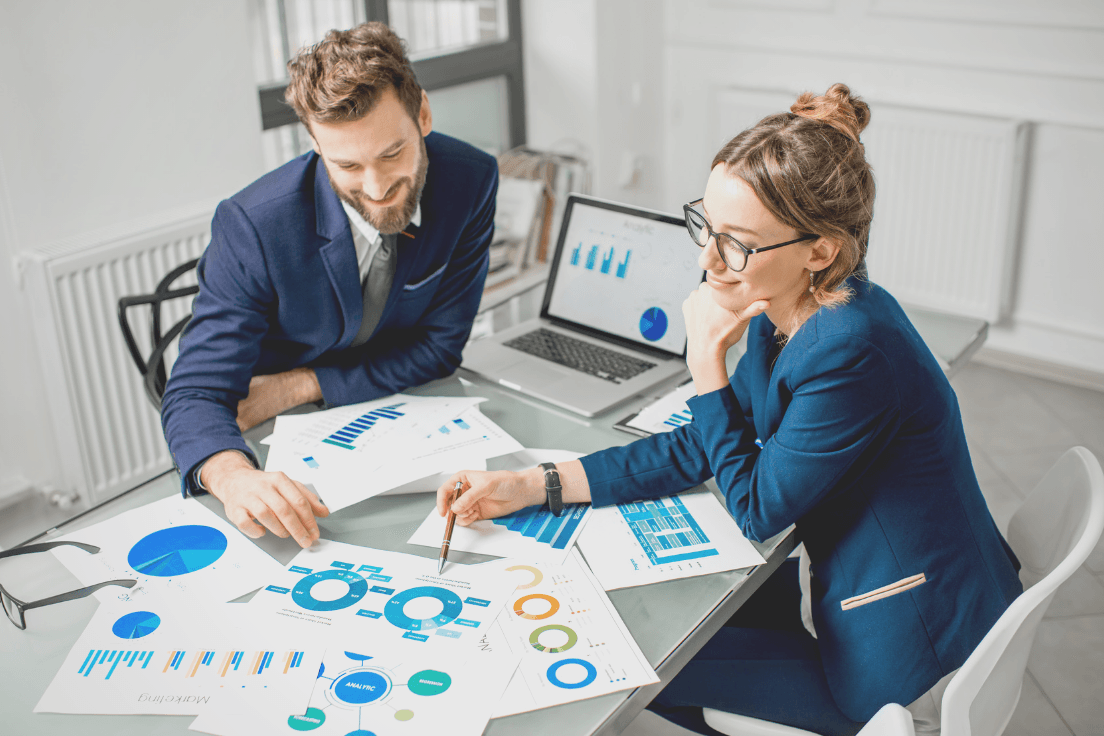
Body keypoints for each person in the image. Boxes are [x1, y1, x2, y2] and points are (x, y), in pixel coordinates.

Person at [436, 84, 1022, 735]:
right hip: (913, 589)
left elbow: (757, 510)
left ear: (818, 250)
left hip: (908, 652)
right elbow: (699, 443)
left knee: (637, 667)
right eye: (706, 227)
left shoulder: (850, 347)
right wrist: (535, 483)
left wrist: (706, 366)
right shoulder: (797, 308)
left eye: (736, 243)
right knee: (687, 641)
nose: (706, 259)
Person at [162, 22, 498, 550]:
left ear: (424, 115)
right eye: (347, 164)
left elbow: (440, 348)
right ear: (316, 145)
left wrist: (299, 384)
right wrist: (232, 476)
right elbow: (195, 392)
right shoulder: (255, 223)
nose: (378, 187)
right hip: (271, 436)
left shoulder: (471, 180)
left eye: (392, 154)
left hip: (387, 418)